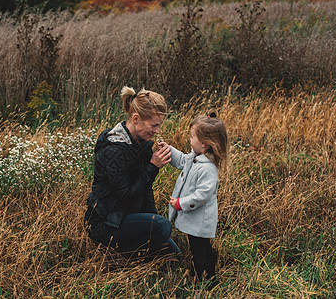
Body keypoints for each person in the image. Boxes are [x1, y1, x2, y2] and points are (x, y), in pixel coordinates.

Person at [84, 86, 181, 259]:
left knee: (173, 252)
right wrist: (153, 166)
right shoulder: (113, 149)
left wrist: (153, 220)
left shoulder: (141, 143)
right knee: (162, 227)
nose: (157, 131)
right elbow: (126, 194)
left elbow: (145, 189)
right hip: (107, 222)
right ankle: (121, 259)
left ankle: (146, 245)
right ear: (136, 119)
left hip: (128, 215)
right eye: (154, 125)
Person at [160, 111, 229, 282]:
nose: (189, 140)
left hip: (200, 220)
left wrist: (180, 203)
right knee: (201, 246)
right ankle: (209, 266)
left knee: (198, 248)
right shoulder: (196, 157)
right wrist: (169, 150)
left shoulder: (208, 168)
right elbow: (183, 161)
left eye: (192, 137)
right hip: (195, 220)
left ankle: (202, 276)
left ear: (204, 144)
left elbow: (202, 195)